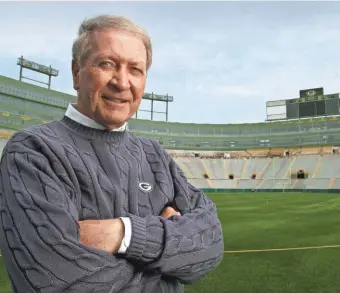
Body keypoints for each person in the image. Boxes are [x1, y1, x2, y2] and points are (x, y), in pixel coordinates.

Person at [0, 14, 224, 293]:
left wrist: (123, 234)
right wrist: (167, 270)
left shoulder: (155, 155)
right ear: (76, 72)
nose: (122, 82)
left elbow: (211, 243)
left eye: (135, 69)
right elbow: (56, 282)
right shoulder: (33, 151)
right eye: (107, 64)